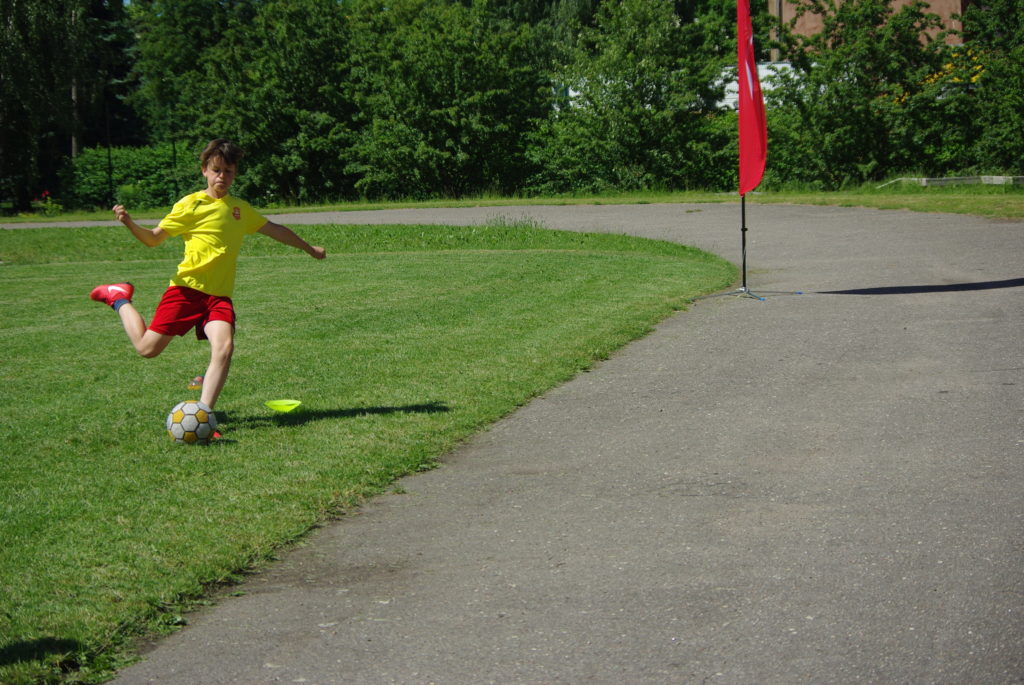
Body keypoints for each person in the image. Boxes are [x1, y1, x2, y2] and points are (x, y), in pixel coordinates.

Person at [90, 138, 326, 421]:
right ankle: (118, 297)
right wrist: (129, 223)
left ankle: (203, 415)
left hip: (219, 297)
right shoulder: (190, 204)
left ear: (235, 173)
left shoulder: (240, 209)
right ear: (204, 170)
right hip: (186, 290)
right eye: (216, 170)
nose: (221, 176)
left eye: (228, 171)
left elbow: (276, 230)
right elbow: (153, 239)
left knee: (224, 348)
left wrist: (308, 248)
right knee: (146, 349)